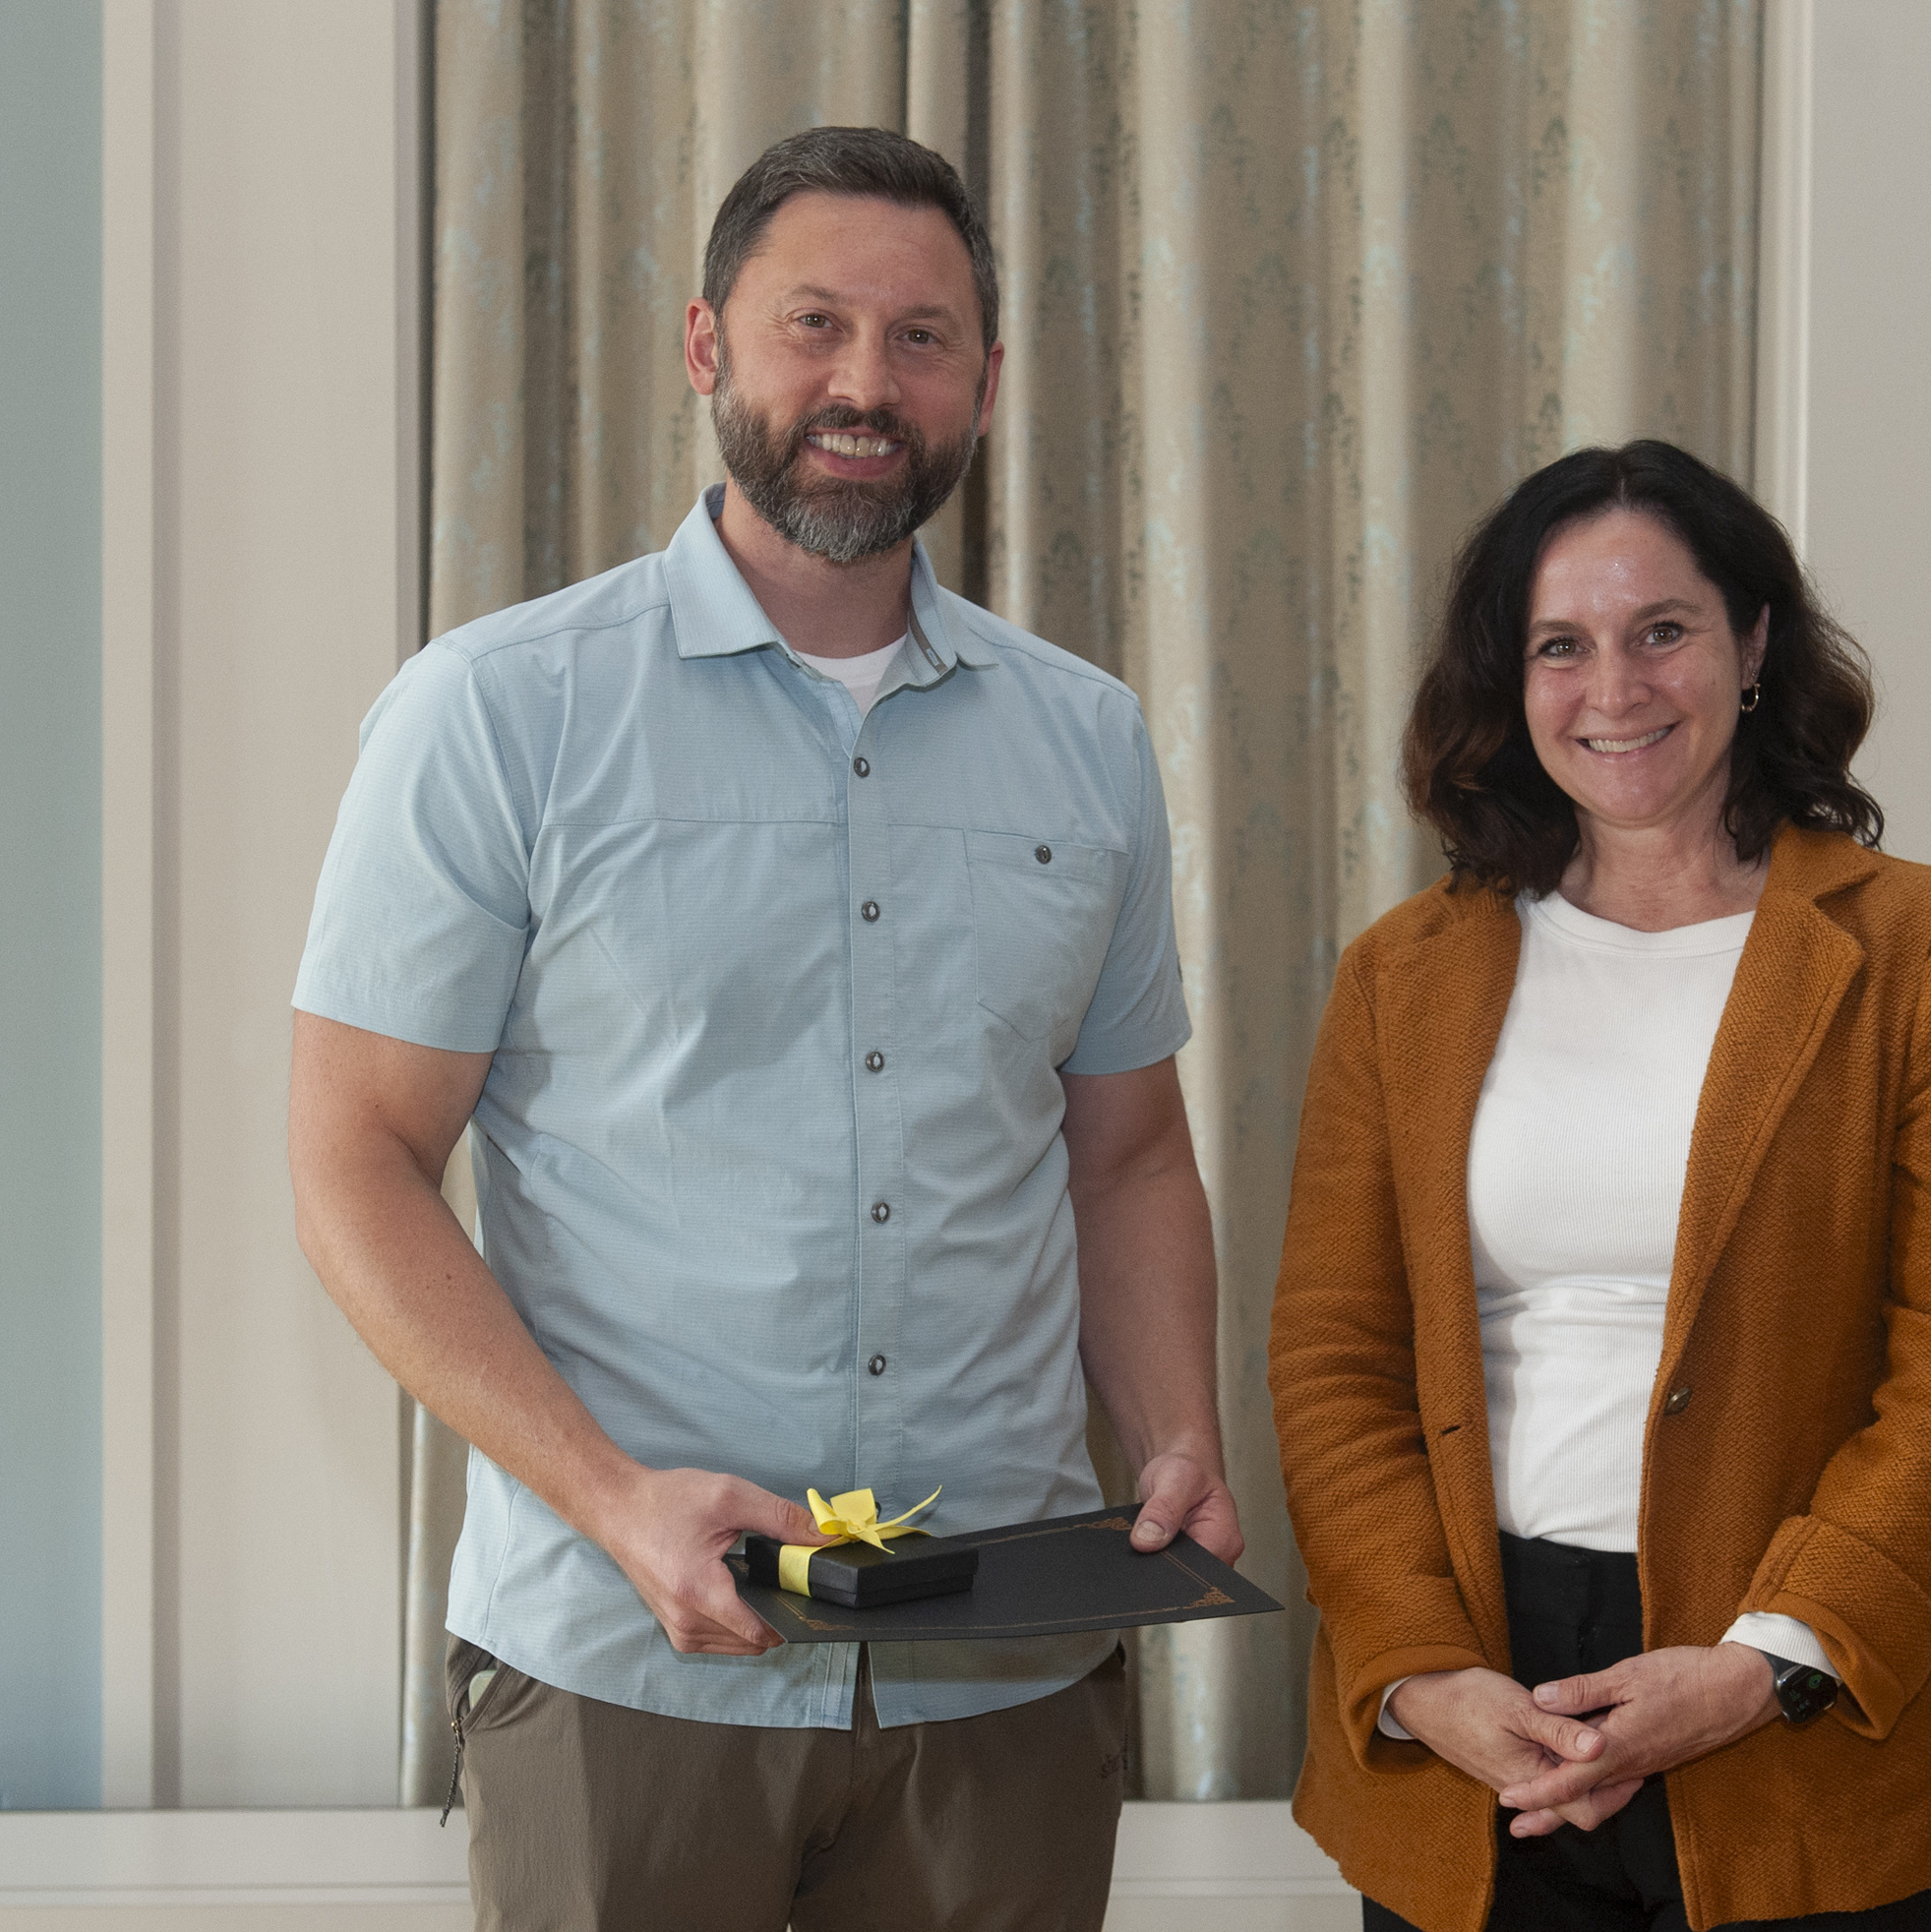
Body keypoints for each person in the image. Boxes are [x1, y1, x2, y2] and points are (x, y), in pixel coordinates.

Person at [288, 126, 1240, 1931]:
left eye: (922, 338)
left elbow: (1127, 1157)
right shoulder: (496, 715)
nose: (866, 386)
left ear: (987, 381)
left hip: (1001, 1679)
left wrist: (1178, 1426)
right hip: (626, 1669)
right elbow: (355, 1159)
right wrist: (611, 1495)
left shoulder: (1090, 740)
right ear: (711, 345)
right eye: (815, 325)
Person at [1267, 441, 1931, 1932]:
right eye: (1561, 648)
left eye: (1663, 632)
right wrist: (1422, 1668)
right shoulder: (1406, 976)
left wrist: (1765, 1661)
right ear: (1510, 686)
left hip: (1810, 1711)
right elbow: (1335, 1357)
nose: (1617, 689)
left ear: (1755, 642)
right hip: (1480, 1717)